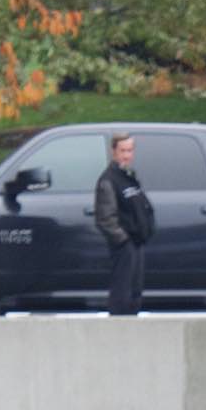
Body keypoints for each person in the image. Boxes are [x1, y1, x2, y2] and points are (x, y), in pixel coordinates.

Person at [92, 133, 154, 316]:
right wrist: (123, 241)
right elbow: (105, 218)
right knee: (122, 292)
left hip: (137, 242)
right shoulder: (108, 180)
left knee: (135, 292)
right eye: (122, 151)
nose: (126, 155)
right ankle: (118, 331)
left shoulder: (129, 177)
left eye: (130, 150)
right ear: (114, 152)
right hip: (124, 245)